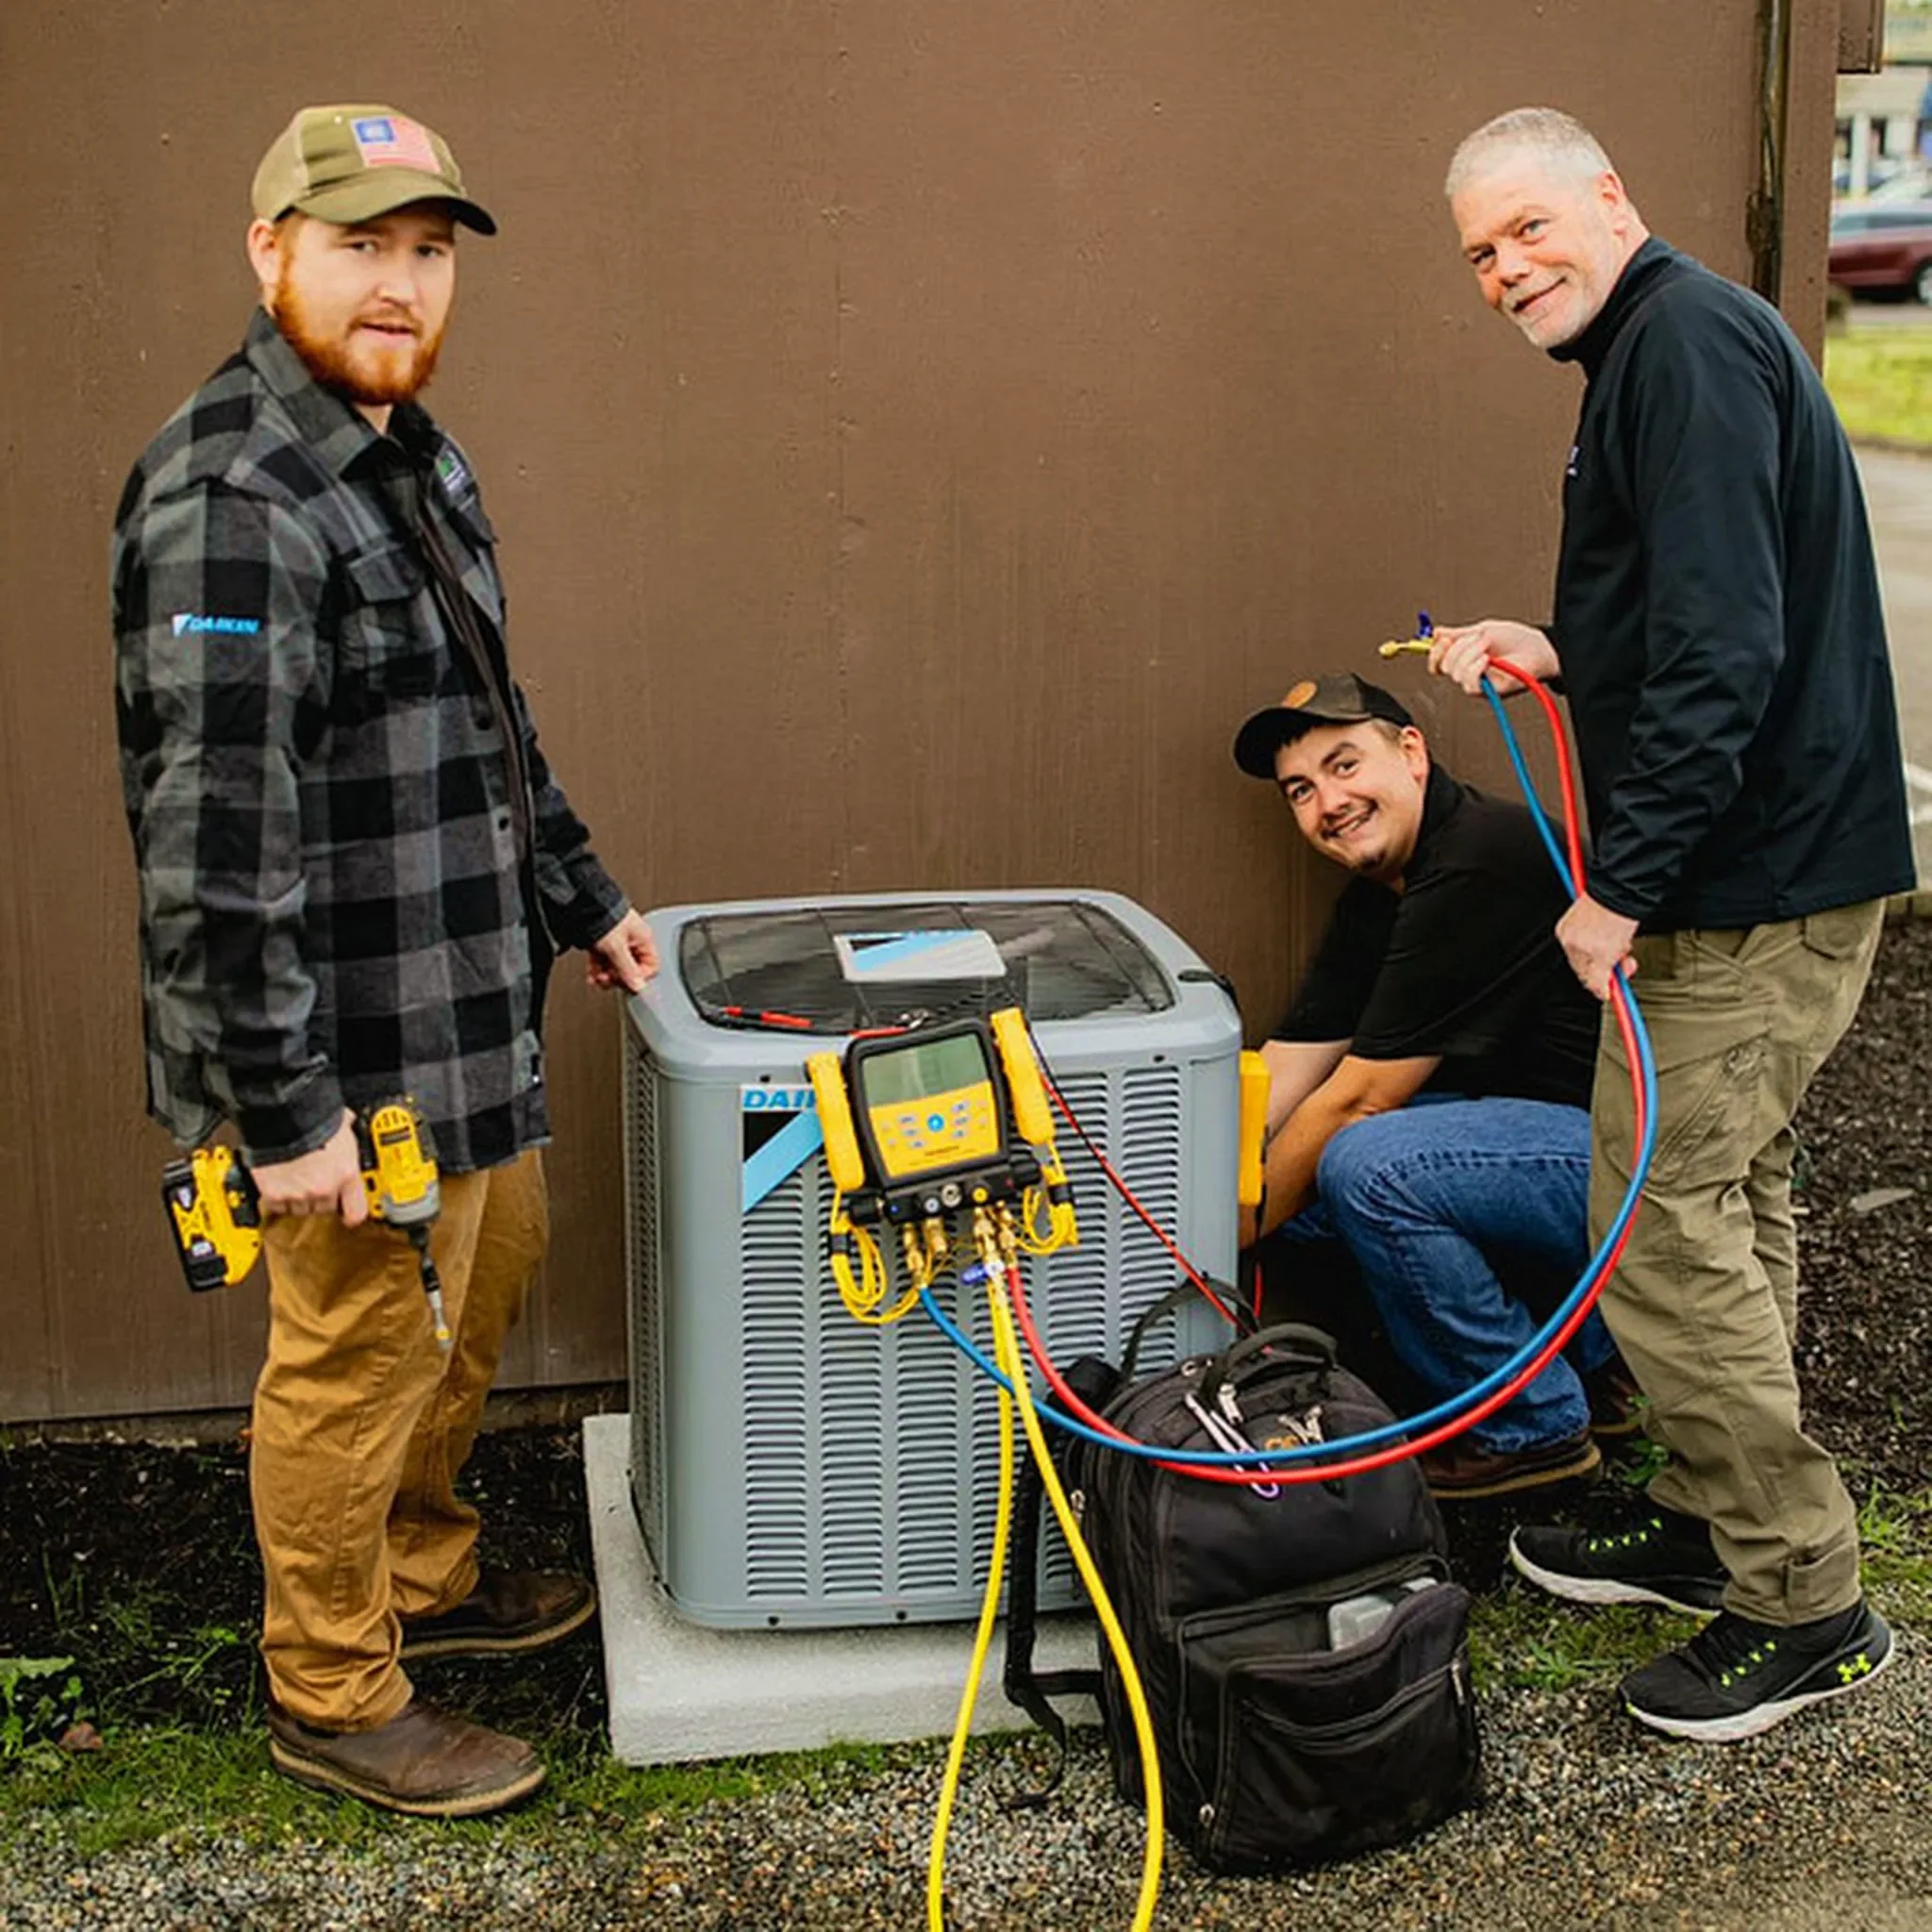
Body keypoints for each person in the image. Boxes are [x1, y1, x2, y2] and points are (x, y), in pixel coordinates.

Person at [112, 104, 658, 1814]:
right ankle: (334, 1687)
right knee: (354, 1359)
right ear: (268, 251)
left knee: (472, 1306)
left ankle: (419, 1570)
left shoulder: (413, 454)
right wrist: (287, 1116)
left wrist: (581, 892)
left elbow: (486, 714)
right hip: (342, 1062)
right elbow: (213, 854)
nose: (400, 284)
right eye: (359, 245)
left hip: (468, 1010)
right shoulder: (233, 499)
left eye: (427, 251)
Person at [1431, 107, 1910, 1741]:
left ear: (1609, 196)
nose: (1506, 269)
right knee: (1724, 1199)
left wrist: (1616, 888)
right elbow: (1693, 611)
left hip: (1753, 886)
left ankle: (1804, 1601)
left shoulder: (1684, 344)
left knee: (1655, 1226)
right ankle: (1713, 1517)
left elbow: (1726, 650)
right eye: (1480, 253)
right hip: (1746, 872)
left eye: (1525, 229)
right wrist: (1559, 648)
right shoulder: (1649, 349)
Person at [1233, 672, 1635, 1500]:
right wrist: (1175, 1193)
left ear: (1411, 752)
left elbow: (1362, 1098)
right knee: (1307, 1176)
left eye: (1345, 765)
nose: (1328, 803)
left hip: (1625, 1164)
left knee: (1362, 1164)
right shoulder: (1380, 897)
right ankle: (1594, 1362)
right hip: (1529, 1156)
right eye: (1300, 790)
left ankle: (1531, 1425)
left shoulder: (1483, 855)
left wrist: (1215, 1239)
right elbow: (1287, 1069)